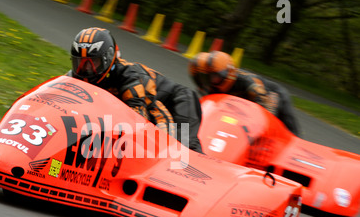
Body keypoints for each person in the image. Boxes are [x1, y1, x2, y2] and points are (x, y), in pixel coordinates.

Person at [67, 27, 203, 153]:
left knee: (183, 148)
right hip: (151, 104)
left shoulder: (129, 76)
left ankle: (206, 170)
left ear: (107, 59)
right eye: (79, 63)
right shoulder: (75, 75)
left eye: (93, 62)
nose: (86, 69)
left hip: (178, 100)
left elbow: (137, 121)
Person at [188, 51, 300, 136]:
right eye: (207, 77)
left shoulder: (249, 83)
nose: (211, 81)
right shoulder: (213, 86)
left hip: (274, 95)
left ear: (228, 74)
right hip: (246, 108)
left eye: (216, 77)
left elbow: (268, 109)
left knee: (288, 135)